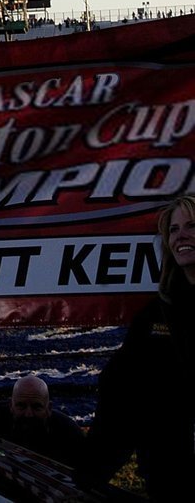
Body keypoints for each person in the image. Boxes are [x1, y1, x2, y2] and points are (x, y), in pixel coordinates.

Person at [81, 194, 195, 500]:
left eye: (192, 225)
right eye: (173, 229)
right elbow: (119, 390)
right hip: (170, 479)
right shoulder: (155, 314)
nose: (181, 235)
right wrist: (87, 477)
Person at [0, 375, 85, 467]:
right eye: (21, 406)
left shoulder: (70, 435)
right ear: (11, 406)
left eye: (36, 407)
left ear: (49, 408)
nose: (28, 414)